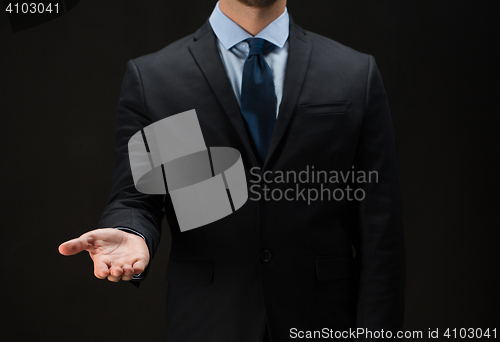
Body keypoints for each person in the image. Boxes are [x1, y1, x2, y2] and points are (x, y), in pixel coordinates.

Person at [59, 0, 406, 341]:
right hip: (209, 321)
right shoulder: (159, 77)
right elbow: (138, 196)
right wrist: (130, 231)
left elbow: (380, 229)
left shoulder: (353, 72)